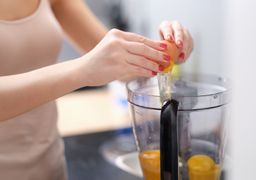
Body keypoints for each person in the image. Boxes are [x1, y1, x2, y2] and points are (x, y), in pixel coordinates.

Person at [0, 0, 193, 179]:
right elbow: (91, 66)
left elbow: (114, 63)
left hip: (50, 169)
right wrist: (81, 70)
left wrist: (164, 50)